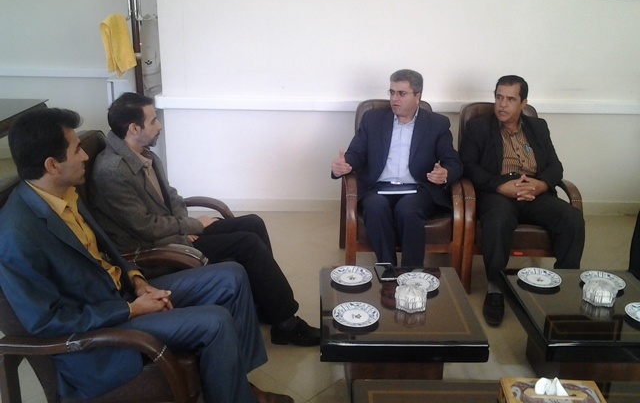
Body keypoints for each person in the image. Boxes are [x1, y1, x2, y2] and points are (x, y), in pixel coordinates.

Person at [0, 108, 292, 403]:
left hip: (123, 292)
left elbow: (105, 250)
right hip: (104, 328)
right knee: (215, 321)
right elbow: (46, 322)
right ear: (52, 165)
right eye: (77, 150)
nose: (85, 156)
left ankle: (236, 384)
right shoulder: (17, 234)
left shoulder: (64, 192)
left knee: (232, 275)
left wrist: (137, 279)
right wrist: (131, 309)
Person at [90, 93, 319, 347]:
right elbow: (144, 227)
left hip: (173, 234)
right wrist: (192, 226)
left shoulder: (144, 155)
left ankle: (266, 305)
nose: (160, 125)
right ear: (134, 128)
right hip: (153, 249)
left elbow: (171, 196)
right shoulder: (113, 172)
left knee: (253, 222)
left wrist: (183, 225)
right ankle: (286, 324)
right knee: (248, 244)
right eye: (153, 120)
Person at [459, 75, 585, 327]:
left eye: (510, 99)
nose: (502, 104)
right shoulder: (478, 127)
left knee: (572, 218)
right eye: (499, 97)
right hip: (498, 193)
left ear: (523, 103)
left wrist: (541, 185)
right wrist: (499, 185)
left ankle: (566, 284)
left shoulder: (538, 127)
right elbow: (468, 166)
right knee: (497, 220)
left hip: (534, 192)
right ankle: (495, 288)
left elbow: (555, 166)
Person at [331, 69, 463, 266]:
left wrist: (445, 173)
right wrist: (342, 165)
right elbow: (356, 154)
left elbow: (453, 161)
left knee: (408, 210)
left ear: (417, 96)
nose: (394, 98)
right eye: (392, 92)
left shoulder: (436, 124)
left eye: (401, 93)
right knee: (375, 208)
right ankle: (388, 270)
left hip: (418, 189)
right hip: (378, 187)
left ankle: (411, 273)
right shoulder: (372, 119)